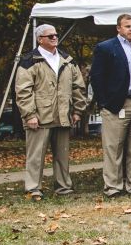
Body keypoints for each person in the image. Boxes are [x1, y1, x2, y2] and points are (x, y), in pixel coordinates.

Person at [14, 24, 87, 200]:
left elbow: (79, 86)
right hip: (39, 116)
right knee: (36, 156)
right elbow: (23, 91)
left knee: (62, 155)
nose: (55, 38)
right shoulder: (29, 60)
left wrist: (78, 110)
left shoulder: (67, 59)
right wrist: (29, 115)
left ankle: (64, 187)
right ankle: (33, 188)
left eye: (56, 35)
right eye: (50, 36)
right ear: (40, 39)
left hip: (63, 115)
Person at [90, 14, 131, 196]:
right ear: (118, 28)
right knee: (114, 148)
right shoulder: (106, 48)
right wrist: (105, 102)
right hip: (118, 105)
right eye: (127, 26)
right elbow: (96, 77)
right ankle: (113, 187)